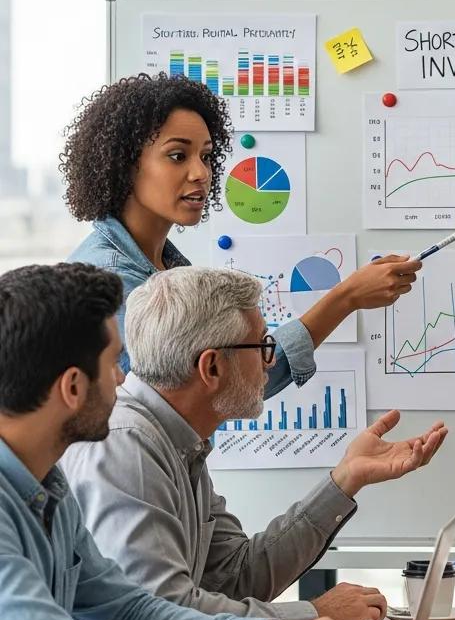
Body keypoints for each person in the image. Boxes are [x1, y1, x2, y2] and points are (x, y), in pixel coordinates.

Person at [0, 263, 372, 620]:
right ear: (73, 387)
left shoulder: (48, 484)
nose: (125, 380)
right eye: (112, 365)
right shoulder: (110, 455)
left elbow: (130, 610)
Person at [62, 266, 448, 620]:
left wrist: (346, 479)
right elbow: (162, 614)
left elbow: (236, 576)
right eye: (262, 344)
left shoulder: (177, 440)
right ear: (211, 367)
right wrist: (312, 615)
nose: (269, 363)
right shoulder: (126, 446)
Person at [61, 72, 420, 397]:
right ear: (124, 163)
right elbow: (213, 390)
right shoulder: (109, 282)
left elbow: (227, 382)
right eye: (177, 156)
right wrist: (346, 298)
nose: (200, 172)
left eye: (205, 156)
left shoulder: (165, 266)